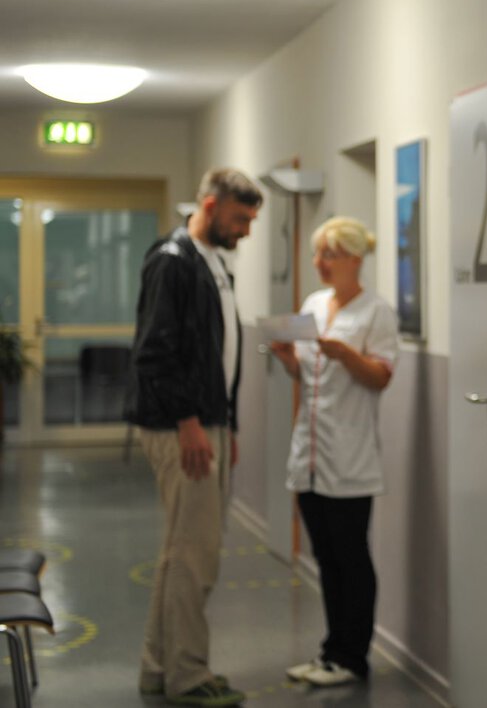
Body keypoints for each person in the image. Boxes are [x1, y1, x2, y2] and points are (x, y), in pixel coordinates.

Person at [125, 168, 262, 707]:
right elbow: (155, 352)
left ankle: (159, 667)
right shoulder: (173, 261)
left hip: (208, 421)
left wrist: (227, 423)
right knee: (194, 556)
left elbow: (216, 354)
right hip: (182, 425)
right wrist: (189, 424)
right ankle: (188, 675)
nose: (246, 230)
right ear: (209, 206)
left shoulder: (212, 264)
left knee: (179, 551)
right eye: (240, 218)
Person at [269, 216, 397, 687]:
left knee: (351, 558)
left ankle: (353, 656)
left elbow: (381, 377)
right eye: (317, 254)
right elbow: (306, 375)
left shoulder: (376, 312)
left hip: (349, 458)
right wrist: (289, 360)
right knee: (324, 557)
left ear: (355, 259)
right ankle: (331, 651)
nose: (320, 263)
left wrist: (347, 355)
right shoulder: (314, 305)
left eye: (330, 254)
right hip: (310, 454)